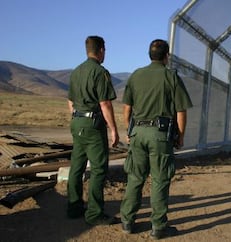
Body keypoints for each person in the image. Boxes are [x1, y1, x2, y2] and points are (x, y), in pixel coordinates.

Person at [120, 39, 193, 239]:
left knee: (135, 177)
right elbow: (181, 111)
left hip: (138, 133)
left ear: (149, 55)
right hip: (160, 136)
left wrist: (129, 131)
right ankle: (158, 227)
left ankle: (127, 221)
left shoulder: (136, 75)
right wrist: (181, 136)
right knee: (160, 179)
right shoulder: (171, 76)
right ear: (166, 56)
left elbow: (127, 109)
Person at [67, 35, 119, 226]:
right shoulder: (100, 72)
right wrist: (113, 129)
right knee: (98, 169)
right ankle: (95, 213)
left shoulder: (76, 72)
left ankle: (74, 208)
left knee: (77, 166)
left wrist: (77, 118)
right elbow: (104, 103)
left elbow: (70, 101)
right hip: (93, 125)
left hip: (77, 121)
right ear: (101, 51)